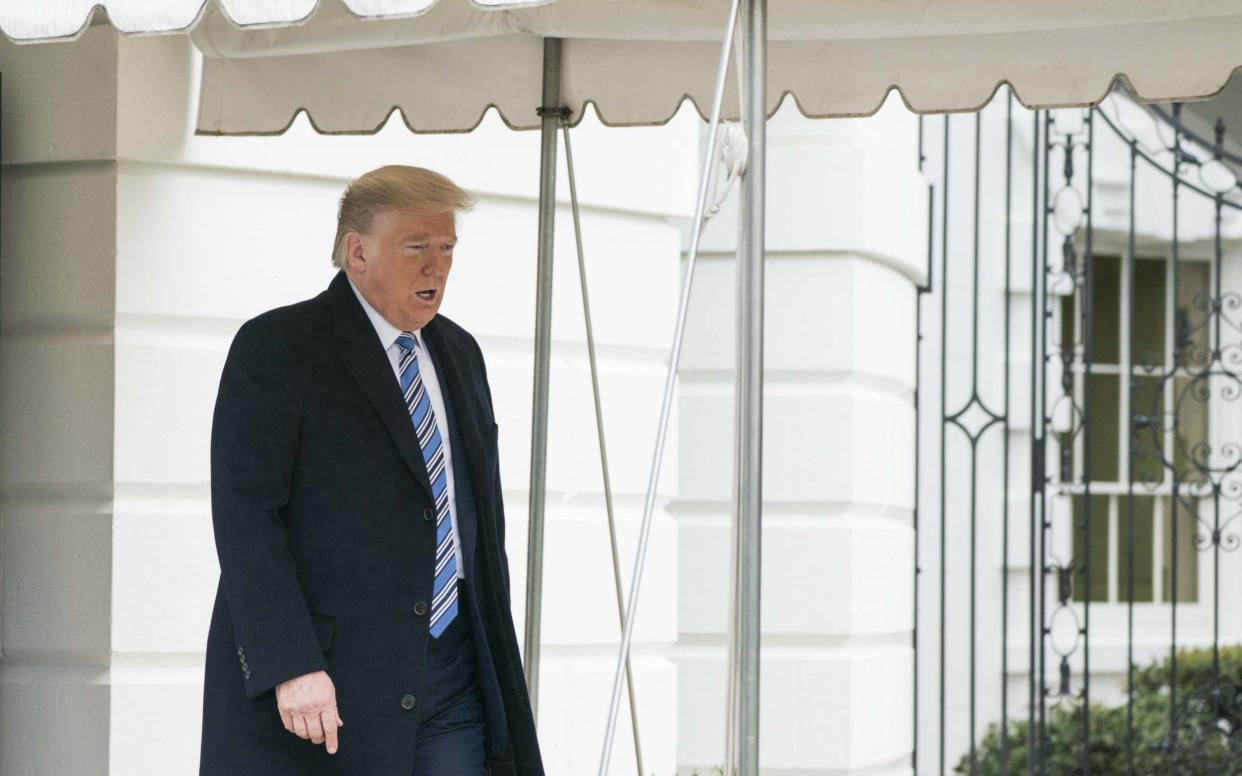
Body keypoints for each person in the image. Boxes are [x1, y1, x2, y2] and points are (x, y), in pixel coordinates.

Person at [198, 165, 543, 776]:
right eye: (417, 248)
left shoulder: (460, 355)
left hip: (456, 670)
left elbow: (476, 520)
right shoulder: (279, 347)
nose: (436, 267)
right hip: (331, 681)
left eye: (446, 248)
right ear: (357, 251)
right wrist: (290, 664)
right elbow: (247, 520)